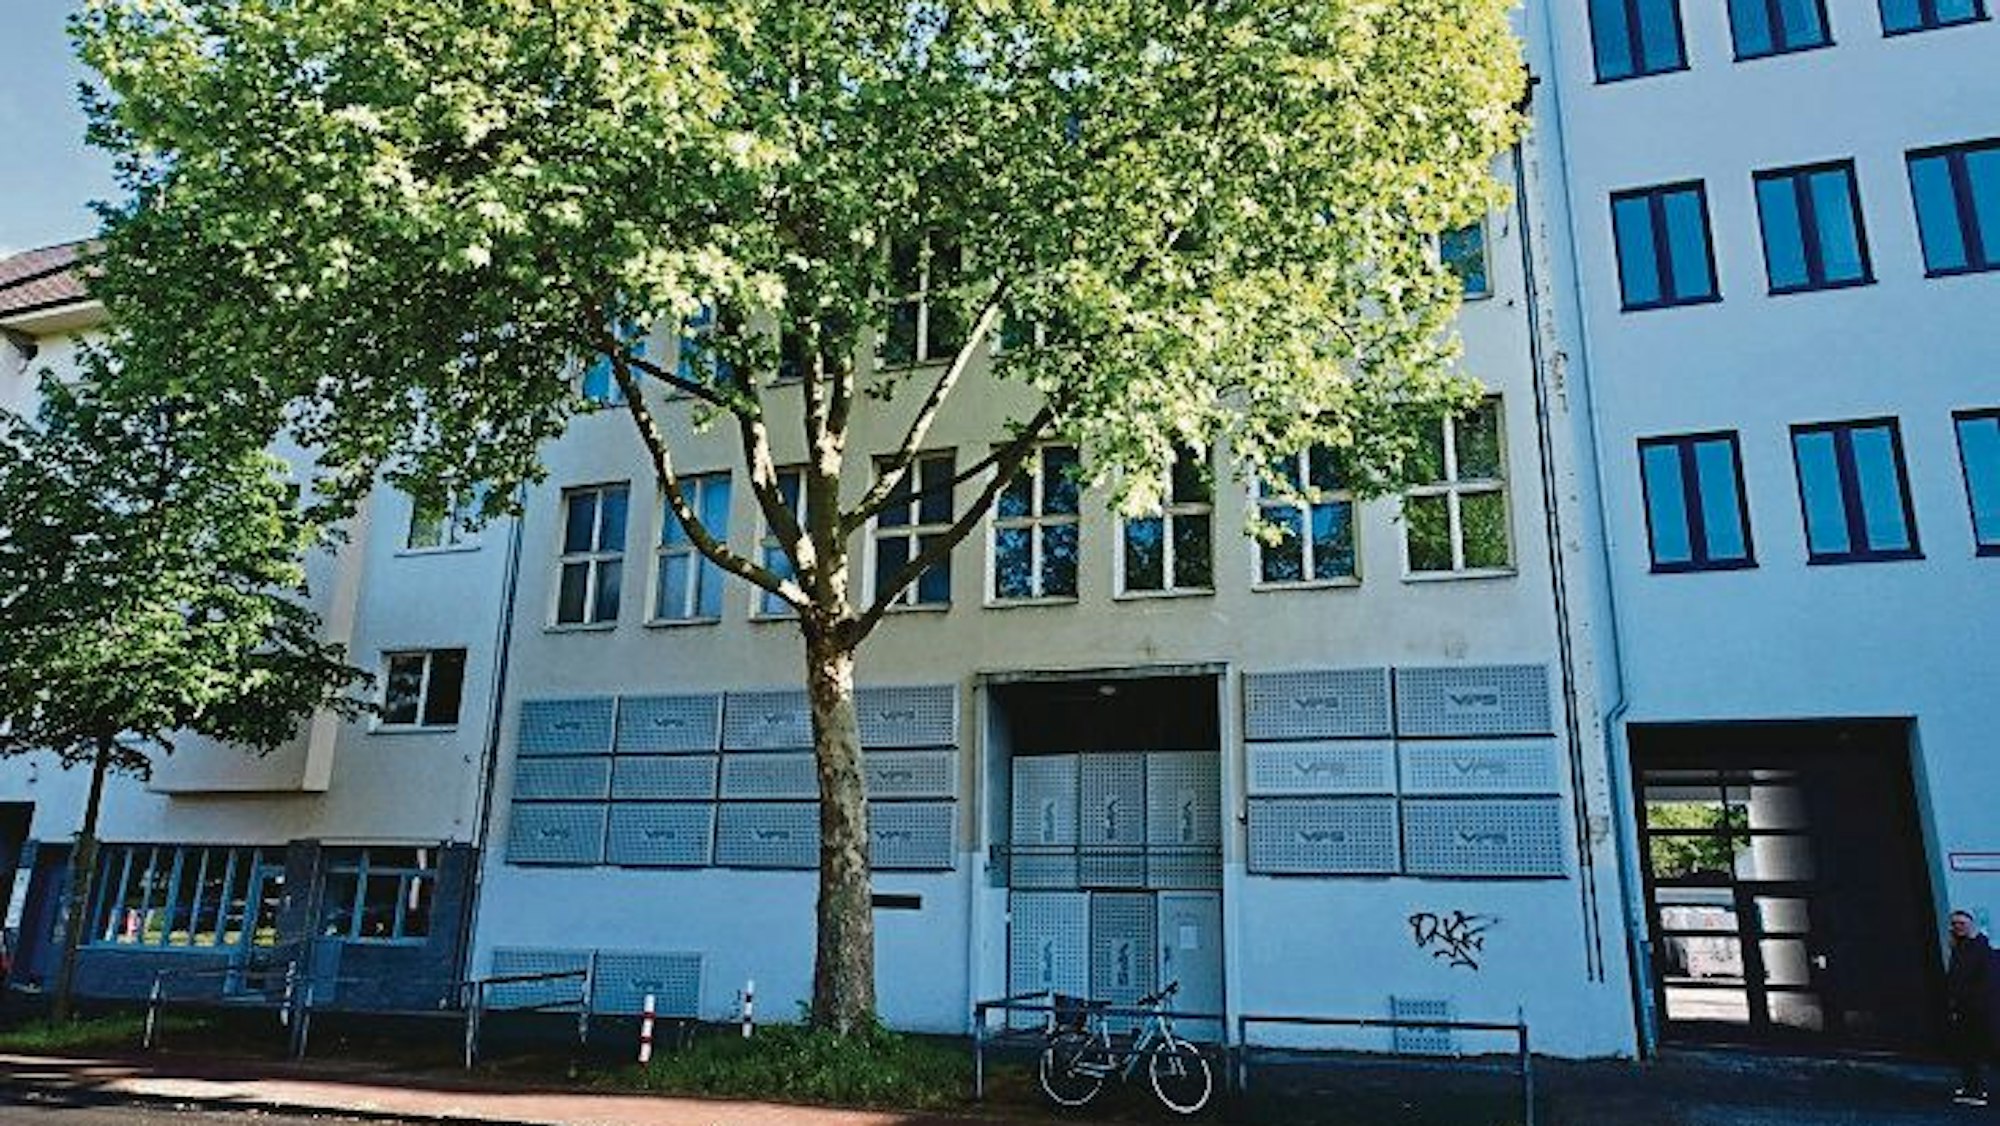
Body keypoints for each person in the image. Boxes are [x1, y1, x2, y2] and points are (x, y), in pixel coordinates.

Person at [1947, 909, 1993, 1106]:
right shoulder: (1961, 947)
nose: (1957, 927)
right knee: (1969, 1051)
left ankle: (1974, 1090)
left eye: (1961, 924)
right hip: (1968, 1007)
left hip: (1975, 1009)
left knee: (1973, 1050)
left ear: (1971, 925)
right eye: (1955, 924)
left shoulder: (1976, 949)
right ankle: (1971, 1088)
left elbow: (1972, 979)